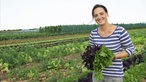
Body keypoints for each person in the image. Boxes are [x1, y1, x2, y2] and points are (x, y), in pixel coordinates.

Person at [89, 4, 134, 82]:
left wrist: (114, 56)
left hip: (114, 75)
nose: (99, 17)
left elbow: (130, 49)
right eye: (96, 15)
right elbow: (92, 52)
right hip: (97, 74)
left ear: (107, 14)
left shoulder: (120, 31)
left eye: (101, 13)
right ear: (94, 18)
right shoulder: (93, 34)